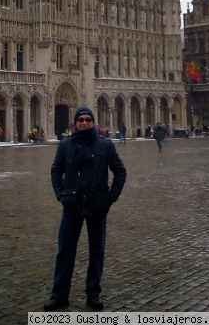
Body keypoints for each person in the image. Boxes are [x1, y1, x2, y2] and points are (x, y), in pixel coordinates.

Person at [44, 106, 127, 312]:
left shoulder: (104, 146)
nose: (84, 123)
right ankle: (59, 295)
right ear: (75, 123)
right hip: (72, 205)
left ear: (92, 122)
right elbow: (55, 171)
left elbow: (120, 171)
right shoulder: (65, 145)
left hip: (97, 205)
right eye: (80, 120)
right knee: (65, 251)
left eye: (87, 119)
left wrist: (110, 198)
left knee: (96, 251)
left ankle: (93, 293)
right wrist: (61, 194)